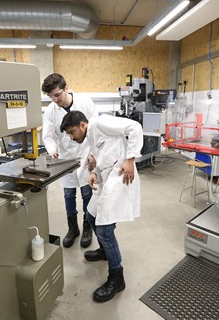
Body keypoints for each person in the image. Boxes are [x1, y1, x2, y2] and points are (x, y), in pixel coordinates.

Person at [60, 110, 143, 303]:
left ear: (82, 125)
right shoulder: (90, 137)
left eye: (72, 132)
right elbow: (104, 154)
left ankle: (117, 277)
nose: (71, 138)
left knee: (105, 230)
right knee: (91, 215)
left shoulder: (99, 123)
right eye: (69, 135)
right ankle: (106, 252)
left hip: (120, 175)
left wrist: (130, 159)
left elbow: (135, 127)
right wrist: (94, 171)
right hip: (106, 177)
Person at [41, 74, 98, 248]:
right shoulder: (51, 110)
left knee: (87, 194)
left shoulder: (86, 102)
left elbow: (95, 129)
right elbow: (49, 136)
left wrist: (94, 153)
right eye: (51, 96)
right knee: (68, 195)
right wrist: (52, 150)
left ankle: (87, 227)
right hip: (66, 159)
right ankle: (73, 229)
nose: (55, 99)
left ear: (66, 88)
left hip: (86, 154)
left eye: (57, 95)